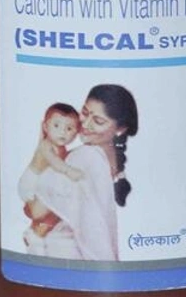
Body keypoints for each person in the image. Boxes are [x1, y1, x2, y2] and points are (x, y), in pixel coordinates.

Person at [22, 84, 138, 260]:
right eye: (84, 112)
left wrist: (38, 162)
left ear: (120, 129)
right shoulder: (112, 164)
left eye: (98, 121)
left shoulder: (84, 157)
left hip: (65, 261)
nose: (85, 124)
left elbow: (36, 211)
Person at [17, 103, 83, 255]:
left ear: (77, 132)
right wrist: (69, 171)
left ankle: (37, 230)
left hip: (42, 184)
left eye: (69, 129)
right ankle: (35, 234)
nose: (62, 132)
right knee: (55, 207)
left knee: (56, 212)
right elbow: (54, 162)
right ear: (45, 127)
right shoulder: (46, 146)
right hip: (30, 184)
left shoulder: (61, 147)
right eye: (56, 126)